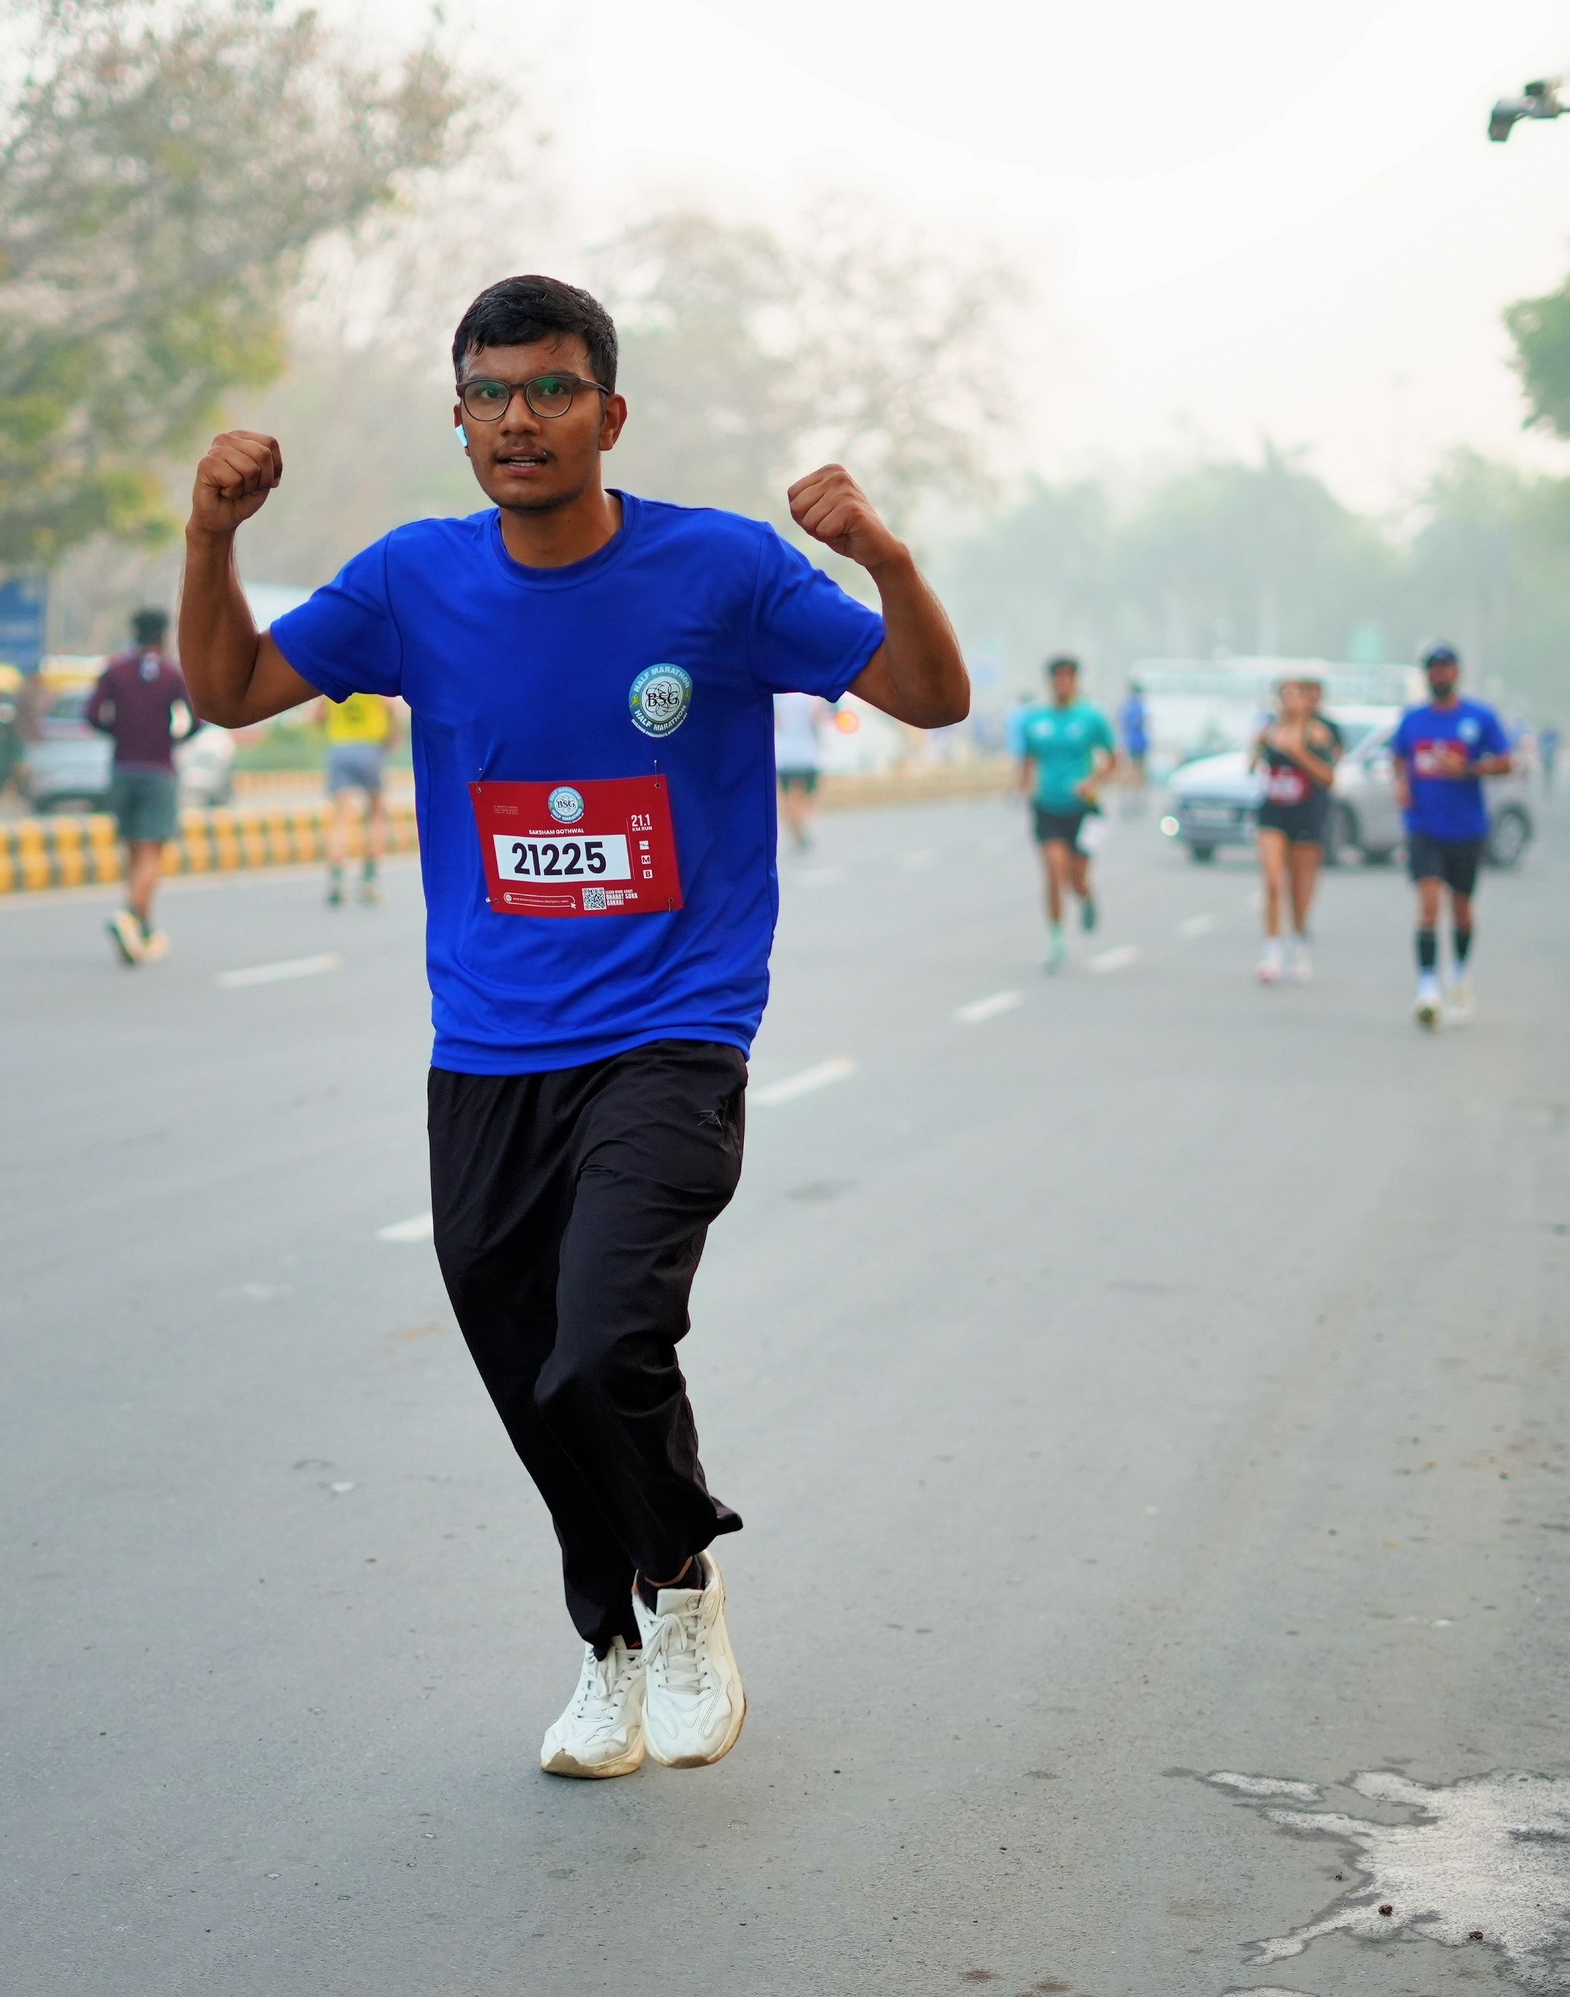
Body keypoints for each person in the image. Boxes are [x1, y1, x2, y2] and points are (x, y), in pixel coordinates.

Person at [173, 274, 967, 1780]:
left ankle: (678, 1584)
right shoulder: (413, 581)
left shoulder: (720, 572)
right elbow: (225, 690)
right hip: (486, 1051)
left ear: (610, 414)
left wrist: (885, 558)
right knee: (525, 1369)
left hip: (672, 1029)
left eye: (550, 390)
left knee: (603, 1341)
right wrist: (212, 536)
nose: (518, 419)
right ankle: (605, 1647)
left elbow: (929, 695)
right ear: (459, 417)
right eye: (489, 394)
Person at [1390, 641, 1512, 1028]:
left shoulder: (1479, 717)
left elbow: (1507, 762)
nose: (1439, 674)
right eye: (1433, 668)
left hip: (1466, 827)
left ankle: (1459, 974)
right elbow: (1399, 757)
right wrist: (1401, 784)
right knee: (1428, 905)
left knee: (1461, 908)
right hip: (1424, 826)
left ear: (1456, 673)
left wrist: (1470, 769)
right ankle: (1428, 989)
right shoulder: (1413, 720)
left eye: (1445, 667)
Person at [87, 609, 192, 964]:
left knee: (133, 848)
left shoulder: (116, 670)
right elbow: (198, 718)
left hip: (123, 768)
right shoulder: (172, 674)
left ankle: (143, 928)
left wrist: (119, 733)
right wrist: (172, 740)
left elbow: (91, 715)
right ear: (163, 637)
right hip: (159, 771)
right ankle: (131, 914)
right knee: (152, 851)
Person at [1010, 654, 1116, 972]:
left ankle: (1086, 896)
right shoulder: (1036, 721)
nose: (1062, 684)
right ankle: (1057, 940)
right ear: (1050, 682)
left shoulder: (1091, 718)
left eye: (1068, 678)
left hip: (1083, 809)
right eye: (1057, 678)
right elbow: (1027, 760)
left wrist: (1093, 781)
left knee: (1076, 878)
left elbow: (1112, 758)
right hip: (1048, 807)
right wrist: (1023, 787)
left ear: (1076, 681)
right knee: (1054, 871)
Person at [1250, 676, 1340, 984]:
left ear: (1305, 700)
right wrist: (1258, 747)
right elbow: (1253, 767)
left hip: (1305, 813)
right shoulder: (1270, 732)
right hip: (1274, 812)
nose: (1289, 701)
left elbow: (1328, 777)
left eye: (1294, 694)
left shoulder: (1317, 734)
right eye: (1284, 694)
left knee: (1299, 890)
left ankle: (1299, 942)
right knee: (1273, 881)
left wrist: (1299, 752)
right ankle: (1272, 952)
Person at [322, 689, 402, 905]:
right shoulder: (372, 681)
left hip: (339, 747)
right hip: (370, 749)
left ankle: (336, 878)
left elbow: (317, 716)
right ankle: (369, 880)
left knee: (340, 817)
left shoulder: (334, 680)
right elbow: (391, 707)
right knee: (375, 814)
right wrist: (394, 734)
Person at [772, 690, 827, 850]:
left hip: (784, 754)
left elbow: (776, 722)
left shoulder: (777, 697)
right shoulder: (812, 696)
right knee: (807, 796)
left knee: (787, 797)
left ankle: (795, 825)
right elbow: (817, 719)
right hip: (806, 753)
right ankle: (799, 823)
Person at [1117, 683, 1154, 815]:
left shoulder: (1127, 707)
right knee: (1138, 773)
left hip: (1131, 742)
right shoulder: (1138, 707)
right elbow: (1142, 722)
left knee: (1132, 772)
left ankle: (1130, 801)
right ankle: (1135, 801)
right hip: (1138, 743)